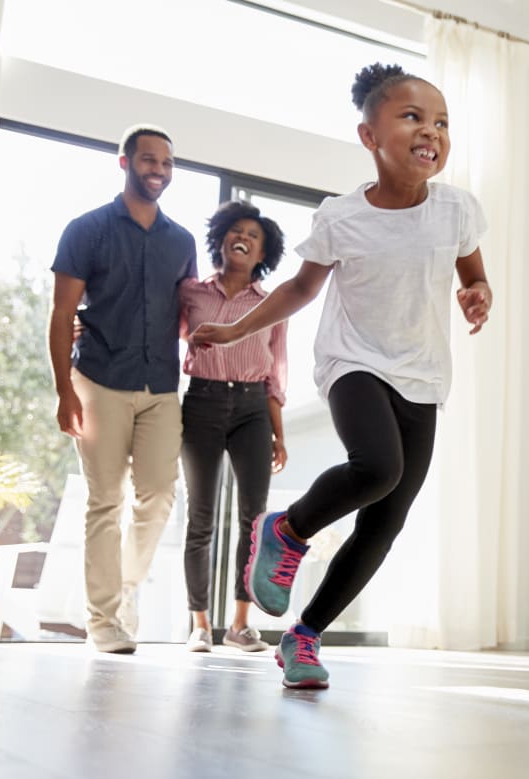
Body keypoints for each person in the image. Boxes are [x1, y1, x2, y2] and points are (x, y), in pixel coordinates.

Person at [190, 63, 492, 687]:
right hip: (353, 360)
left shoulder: (457, 210)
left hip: (424, 372)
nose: (430, 130)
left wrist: (478, 292)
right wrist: (235, 329)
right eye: (411, 117)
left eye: (441, 121)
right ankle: (287, 527)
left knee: (386, 518)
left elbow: (471, 268)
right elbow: (302, 287)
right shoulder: (342, 217)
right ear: (369, 136)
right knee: (378, 468)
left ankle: (303, 637)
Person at [48, 124, 197, 654]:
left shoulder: (181, 241)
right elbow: (63, 313)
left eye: (167, 163)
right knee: (105, 499)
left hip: (161, 384)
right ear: (125, 163)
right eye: (149, 160)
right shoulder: (86, 230)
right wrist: (64, 390)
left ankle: (124, 588)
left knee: (158, 496)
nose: (158, 170)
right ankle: (103, 620)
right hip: (100, 379)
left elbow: (185, 313)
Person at [180, 200, 288, 653]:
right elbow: (157, 335)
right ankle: (200, 625)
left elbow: (275, 373)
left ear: (263, 252)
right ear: (221, 238)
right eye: (235, 230)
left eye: (254, 235)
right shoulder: (190, 292)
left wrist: (279, 434)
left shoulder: (272, 305)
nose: (243, 237)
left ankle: (239, 626)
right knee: (200, 518)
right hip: (201, 403)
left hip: (251, 411)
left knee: (253, 519)